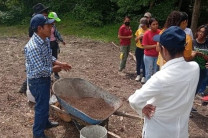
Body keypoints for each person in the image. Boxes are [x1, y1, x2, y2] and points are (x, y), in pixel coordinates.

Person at [129, 26, 200, 138]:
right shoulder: (194, 68)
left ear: (164, 49)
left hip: (158, 131)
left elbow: (134, 100)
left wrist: (142, 107)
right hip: (180, 132)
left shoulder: (160, 78)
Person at [24, 14, 71, 138]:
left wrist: (60, 63)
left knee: (45, 104)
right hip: (37, 81)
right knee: (41, 107)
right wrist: (54, 69)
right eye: (49, 25)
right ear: (40, 28)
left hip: (44, 79)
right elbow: (40, 70)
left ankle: (45, 123)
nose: (51, 27)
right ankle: (38, 133)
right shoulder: (33, 47)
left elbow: (49, 57)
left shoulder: (44, 40)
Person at [19, 3, 49, 94]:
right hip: (36, 49)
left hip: (41, 46)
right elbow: (30, 38)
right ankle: (25, 87)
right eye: (44, 14)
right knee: (34, 71)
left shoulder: (42, 22)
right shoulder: (35, 25)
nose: (46, 17)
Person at [48, 12, 66, 79]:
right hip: (48, 44)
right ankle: (49, 74)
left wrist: (61, 40)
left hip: (54, 43)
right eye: (54, 20)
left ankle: (56, 74)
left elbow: (57, 33)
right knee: (48, 59)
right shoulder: (45, 26)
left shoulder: (54, 25)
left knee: (55, 58)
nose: (55, 21)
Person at [192, 25, 208, 97]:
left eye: (203, 32)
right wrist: (194, 54)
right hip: (192, 68)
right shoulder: (192, 42)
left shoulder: (207, 43)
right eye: (200, 31)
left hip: (203, 69)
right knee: (191, 88)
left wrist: (202, 55)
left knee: (198, 89)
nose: (201, 33)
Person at [134, 17, 149, 83]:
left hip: (145, 49)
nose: (142, 27)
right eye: (141, 25)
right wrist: (139, 37)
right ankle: (138, 75)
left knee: (144, 63)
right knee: (138, 62)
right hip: (138, 48)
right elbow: (135, 40)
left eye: (144, 25)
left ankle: (144, 76)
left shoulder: (149, 31)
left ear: (146, 24)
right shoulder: (139, 30)